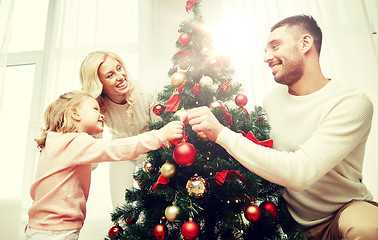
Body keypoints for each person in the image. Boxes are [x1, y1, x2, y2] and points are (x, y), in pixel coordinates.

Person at [187, 15, 378, 239]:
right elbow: (264, 156)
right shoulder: (272, 101)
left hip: (343, 212)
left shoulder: (351, 102)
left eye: (275, 46)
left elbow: (300, 173)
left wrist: (220, 133)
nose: (267, 58)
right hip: (291, 226)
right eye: (265, 50)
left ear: (305, 43)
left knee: (366, 230)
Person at [25, 91, 183, 240]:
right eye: (94, 108)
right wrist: (161, 135)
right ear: (75, 114)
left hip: (40, 227)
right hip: (56, 230)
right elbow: (116, 149)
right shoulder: (73, 141)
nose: (101, 114)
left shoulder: (55, 142)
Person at [80, 51, 161, 208]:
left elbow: (160, 132)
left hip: (151, 149)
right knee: (120, 208)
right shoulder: (97, 105)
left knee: (157, 206)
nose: (120, 76)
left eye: (119, 68)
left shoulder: (145, 92)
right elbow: (94, 146)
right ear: (99, 83)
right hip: (121, 149)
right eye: (110, 75)